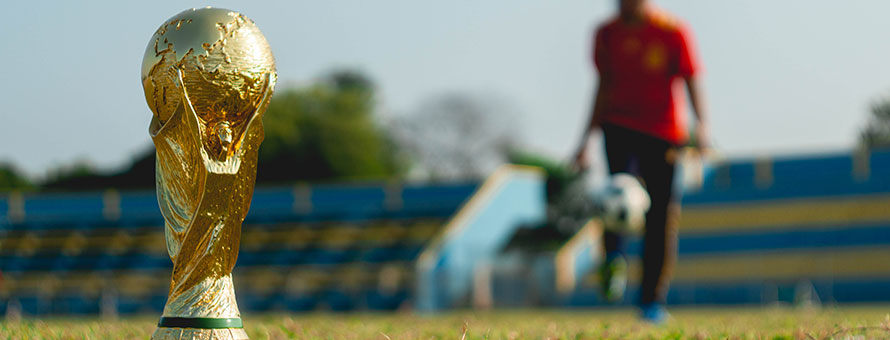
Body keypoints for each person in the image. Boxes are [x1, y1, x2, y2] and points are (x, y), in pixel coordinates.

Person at [572, 0, 709, 323]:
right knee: (616, 196)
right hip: (618, 127)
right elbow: (602, 86)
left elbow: (691, 78)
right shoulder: (606, 34)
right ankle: (613, 258)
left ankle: (651, 301)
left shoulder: (673, 31)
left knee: (660, 216)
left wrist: (702, 124)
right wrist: (585, 140)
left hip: (664, 134)